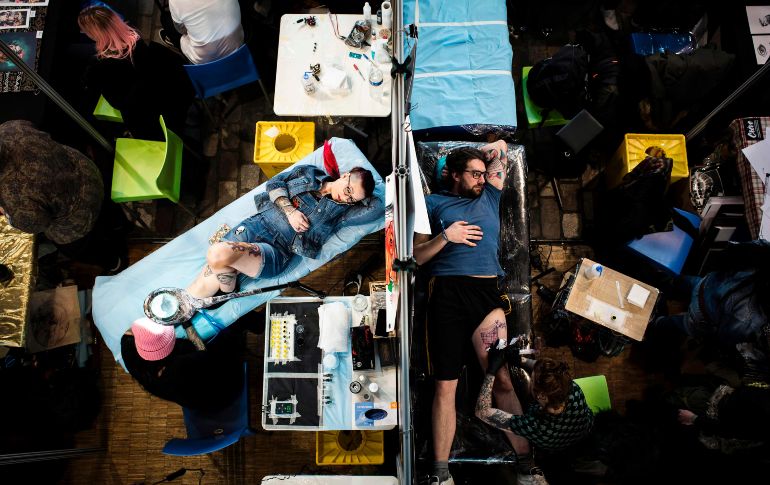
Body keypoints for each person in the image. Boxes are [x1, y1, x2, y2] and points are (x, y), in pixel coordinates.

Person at [412, 141, 517, 485]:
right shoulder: (433, 204)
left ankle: (527, 461)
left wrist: (486, 154)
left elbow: (501, 148)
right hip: (448, 295)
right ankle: (441, 473)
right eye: (474, 174)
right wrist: (447, 235)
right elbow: (417, 257)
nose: (482, 179)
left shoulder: (490, 195)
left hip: (486, 296)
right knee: (446, 385)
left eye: (484, 174)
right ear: (454, 176)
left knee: (501, 377)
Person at [186, 163, 381, 299]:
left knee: (218, 254)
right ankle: (185, 309)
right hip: (254, 226)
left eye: (352, 199)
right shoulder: (309, 173)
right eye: (348, 191)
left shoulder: (340, 214)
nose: (346, 198)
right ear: (345, 175)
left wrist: (363, 192)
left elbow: (378, 207)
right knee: (199, 285)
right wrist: (290, 211)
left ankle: (227, 290)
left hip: (278, 251)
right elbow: (274, 184)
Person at [0, 119, 126, 272]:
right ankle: (120, 224)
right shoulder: (11, 128)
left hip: (79, 211)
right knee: (108, 211)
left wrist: (8, 216)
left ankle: (115, 262)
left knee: (73, 249)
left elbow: (37, 225)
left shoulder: (13, 196)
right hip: (86, 171)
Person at [78, 3, 194, 141]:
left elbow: (117, 103)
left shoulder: (99, 65)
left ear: (94, 34)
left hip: (151, 120)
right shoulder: (135, 38)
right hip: (173, 97)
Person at [476, 354, 595, 484]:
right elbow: (546, 373)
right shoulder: (572, 389)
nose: (531, 380)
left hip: (553, 448)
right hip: (582, 433)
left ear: (542, 396)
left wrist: (491, 372)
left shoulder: (535, 426)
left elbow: (482, 411)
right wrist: (520, 360)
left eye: (532, 381)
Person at [121, 317, 244, 411]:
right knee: (233, 324)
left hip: (202, 403)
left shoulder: (134, 360)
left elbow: (128, 333)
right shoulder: (179, 366)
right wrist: (187, 323)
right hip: (226, 388)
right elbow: (202, 352)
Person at [160, 0, 244, 65]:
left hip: (204, 60)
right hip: (238, 45)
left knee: (165, 19)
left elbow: (181, 30)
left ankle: (181, 50)